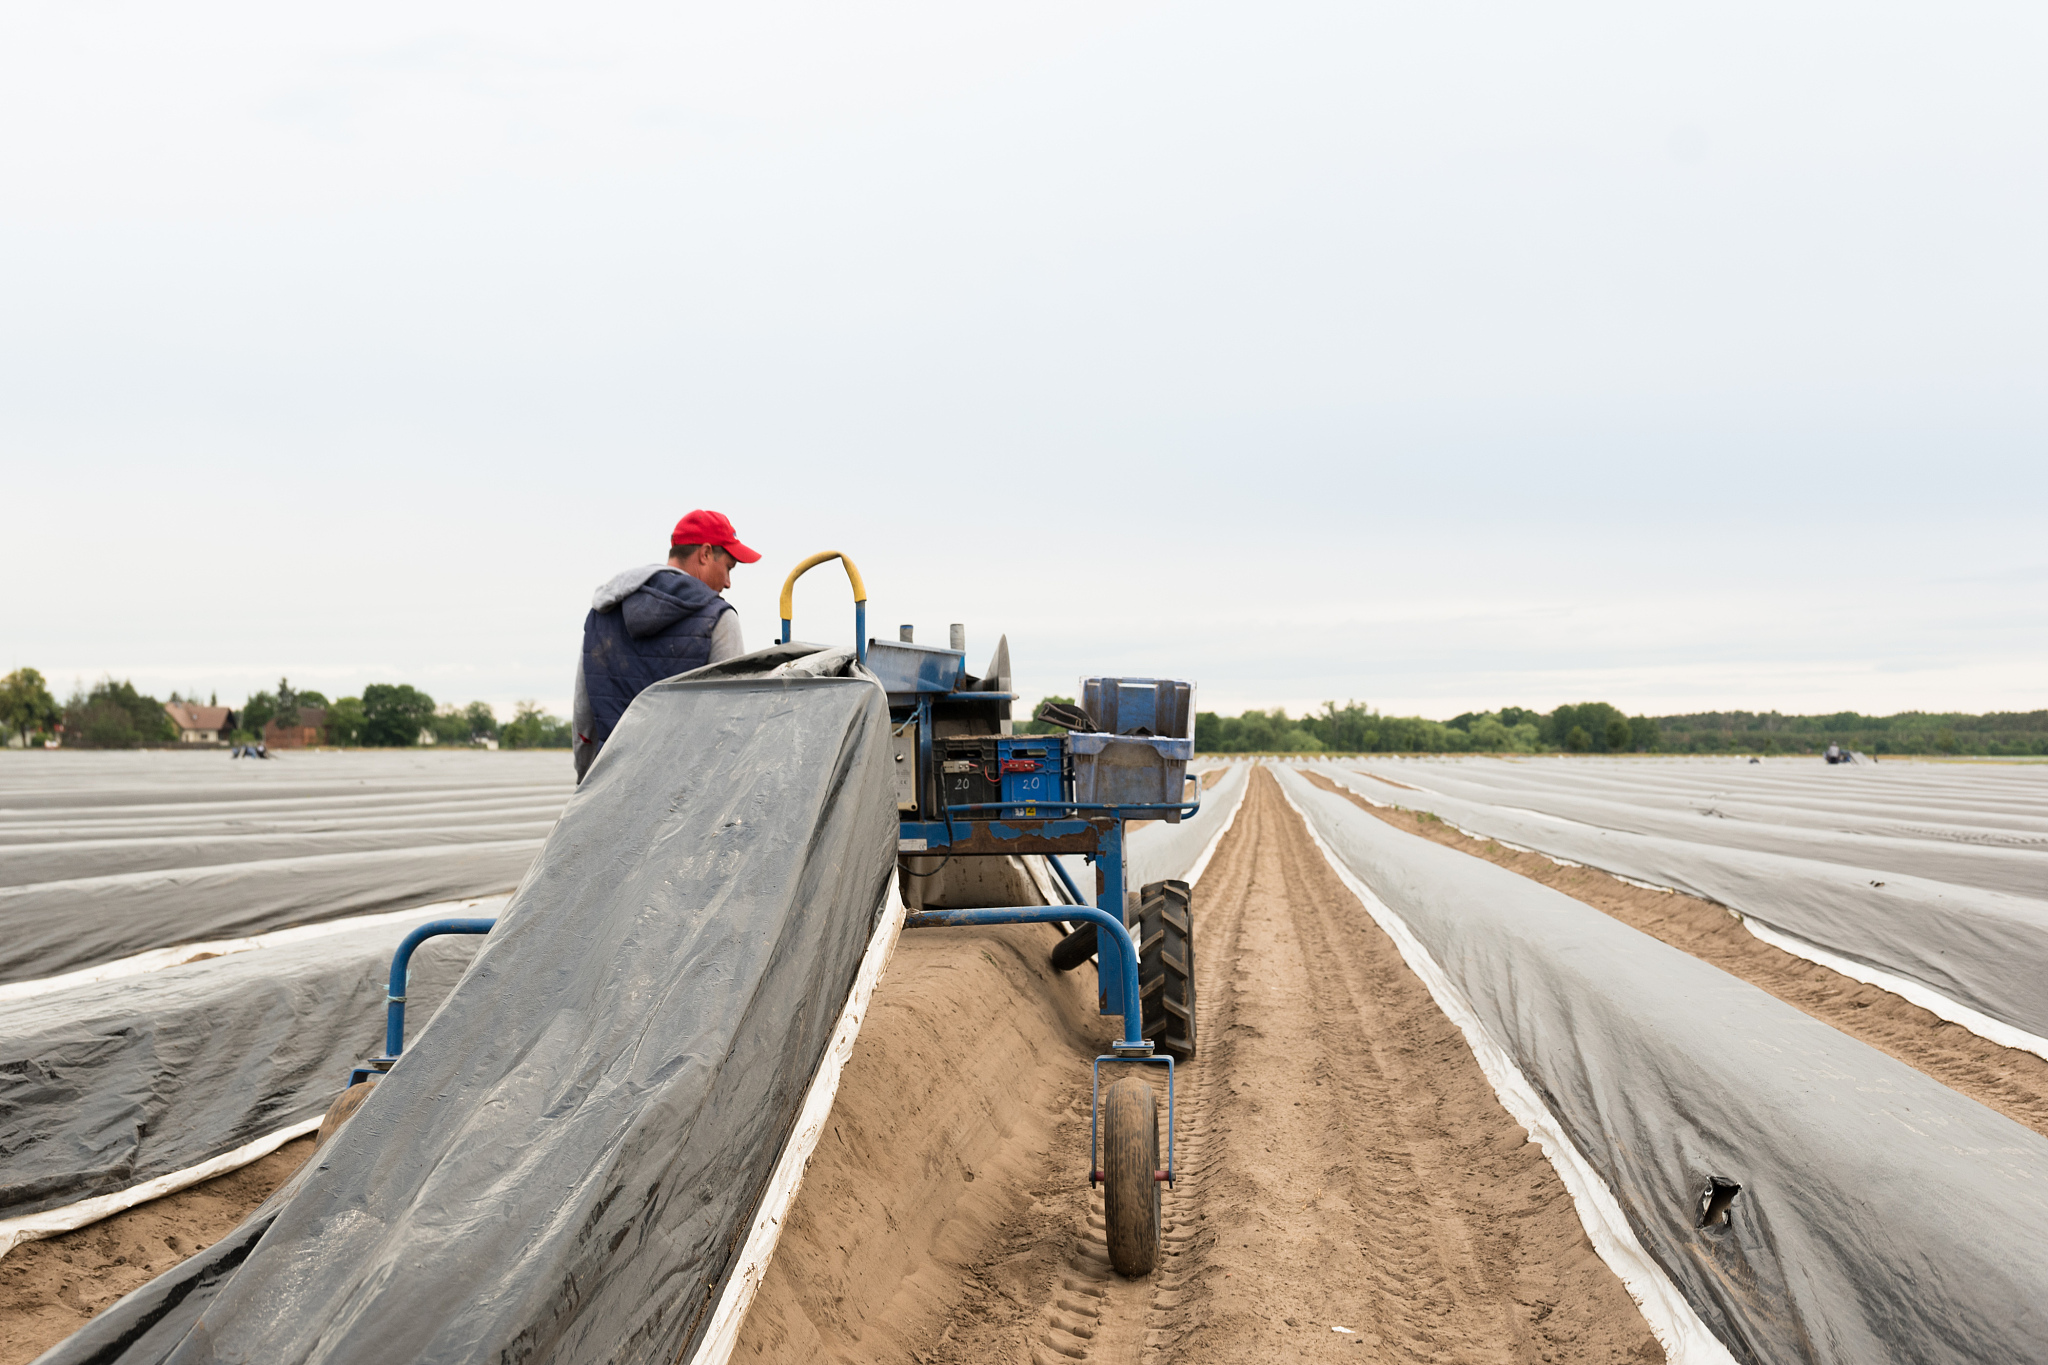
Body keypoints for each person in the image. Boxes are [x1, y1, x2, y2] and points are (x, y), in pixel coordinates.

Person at [572, 510, 762, 781]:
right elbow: (732, 723)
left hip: (610, 788)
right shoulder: (719, 618)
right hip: (682, 796)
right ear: (706, 554)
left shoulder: (602, 612)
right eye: (729, 567)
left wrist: (585, 782)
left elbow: (584, 717)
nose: (728, 583)